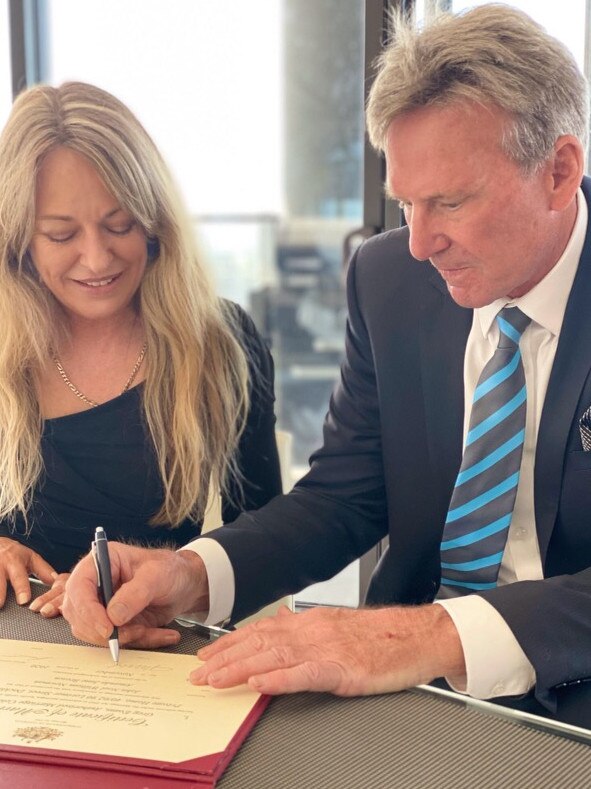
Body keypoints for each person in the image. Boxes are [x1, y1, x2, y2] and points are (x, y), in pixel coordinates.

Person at [63, 4, 591, 712]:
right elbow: (344, 497)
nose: (418, 242)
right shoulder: (389, 280)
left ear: (559, 171)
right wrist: (190, 573)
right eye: (405, 202)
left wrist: (432, 634)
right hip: (404, 693)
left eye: (450, 202)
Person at [0, 81, 282, 618]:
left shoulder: (219, 342)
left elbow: (268, 540)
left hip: (147, 644)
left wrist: (178, 579)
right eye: (61, 235)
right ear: (19, 241)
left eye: (120, 224)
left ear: (153, 222)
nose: (97, 258)